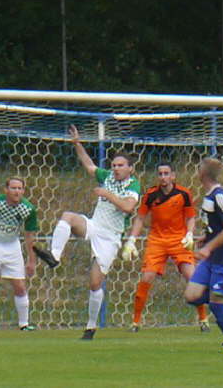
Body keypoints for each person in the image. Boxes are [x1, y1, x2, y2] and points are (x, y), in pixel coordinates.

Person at [34, 124, 141, 340]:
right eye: (113, 165)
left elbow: (128, 207)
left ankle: (91, 327)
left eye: (120, 165)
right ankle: (54, 256)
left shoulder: (134, 185)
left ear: (130, 168)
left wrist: (107, 194)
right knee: (68, 217)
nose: (116, 169)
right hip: (94, 225)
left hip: (110, 237)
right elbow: (90, 166)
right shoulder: (107, 177)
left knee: (94, 283)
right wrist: (77, 144)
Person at [122, 162, 209, 332]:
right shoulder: (151, 195)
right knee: (146, 277)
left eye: (166, 173)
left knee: (191, 276)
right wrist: (131, 240)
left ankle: (203, 318)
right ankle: (136, 322)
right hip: (157, 240)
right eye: (160, 174)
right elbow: (140, 218)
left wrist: (189, 234)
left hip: (178, 240)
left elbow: (191, 218)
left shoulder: (184, 194)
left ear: (173, 176)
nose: (163, 177)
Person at [183, 158, 223, 355]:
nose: (197, 170)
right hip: (212, 258)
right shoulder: (209, 195)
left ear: (204, 173)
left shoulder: (219, 195)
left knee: (217, 304)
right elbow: (217, 227)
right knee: (192, 296)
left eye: (199, 167)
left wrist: (209, 247)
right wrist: (205, 238)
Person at [0, 176, 38, 331]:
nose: (17, 191)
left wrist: (31, 260)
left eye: (19, 188)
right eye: (13, 188)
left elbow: (29, 235)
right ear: (6, 190)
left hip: (12, 246)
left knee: (20, 286)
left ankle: (24, 324)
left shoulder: (28, 209)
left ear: (23, 190)